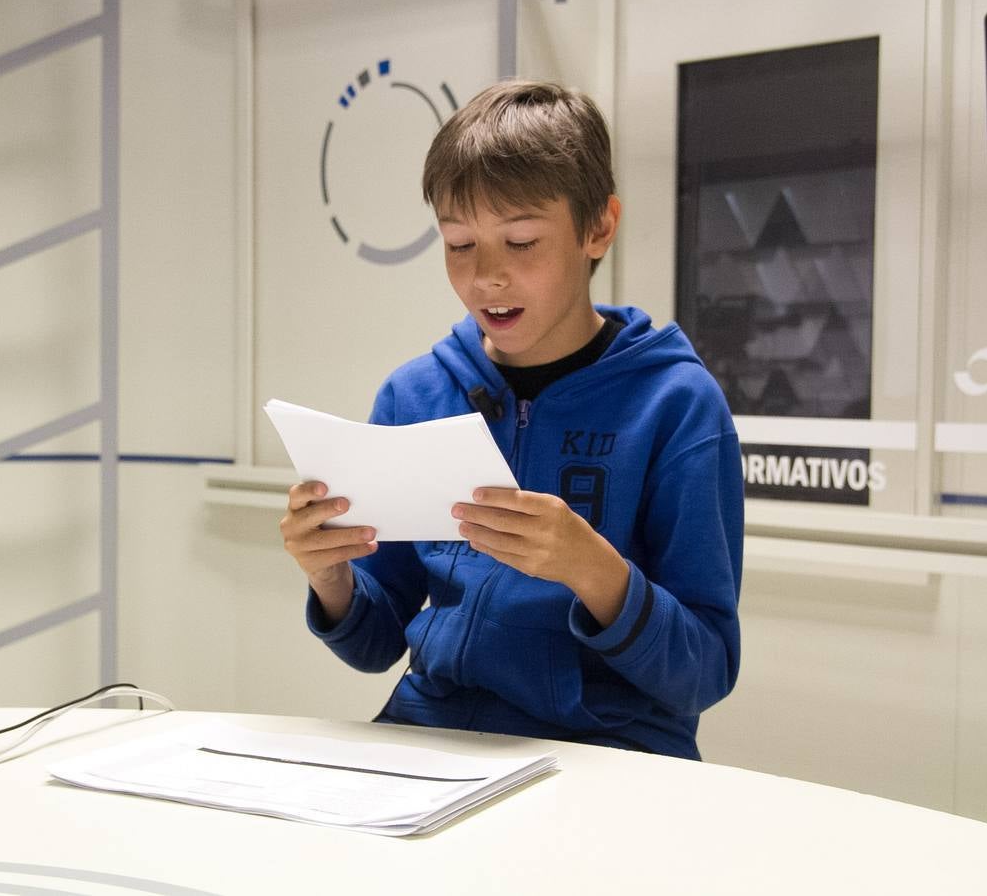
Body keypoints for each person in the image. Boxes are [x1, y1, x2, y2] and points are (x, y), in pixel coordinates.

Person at [279, 80, 742, 759]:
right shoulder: (414, 396)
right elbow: (375, 646)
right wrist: (330, 576)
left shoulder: (676, 404)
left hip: (608, 755)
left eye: (521, 241)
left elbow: (704, 672)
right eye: (459, 243)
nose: (486, 276)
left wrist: (593, 571)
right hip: (434, 738)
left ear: (598, 228)